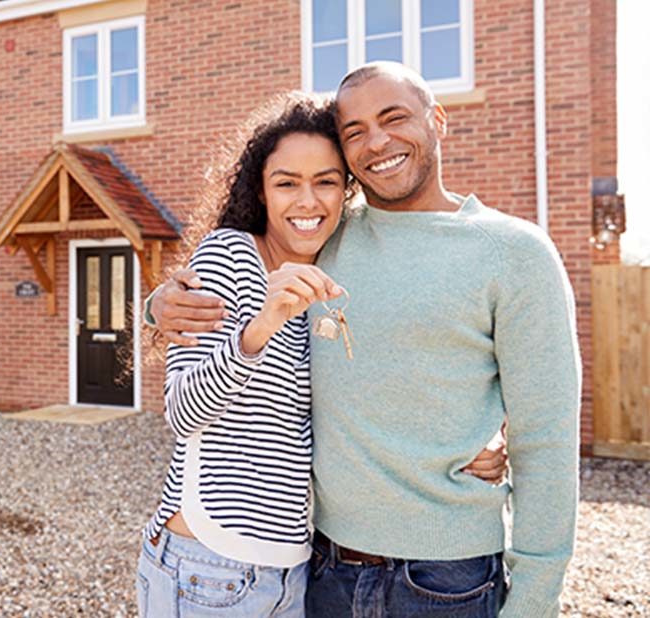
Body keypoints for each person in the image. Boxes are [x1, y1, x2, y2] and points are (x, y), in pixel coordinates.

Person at [147, 62, 579, 618]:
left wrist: (535, 601)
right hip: (323, 571)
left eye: (394, 117)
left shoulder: (515, 253)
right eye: (354, 132)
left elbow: (546, 439)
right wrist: (157, 306)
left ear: (438, 120)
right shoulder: (325, 234)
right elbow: (240, 270)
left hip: (449, 578)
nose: (377, 141)